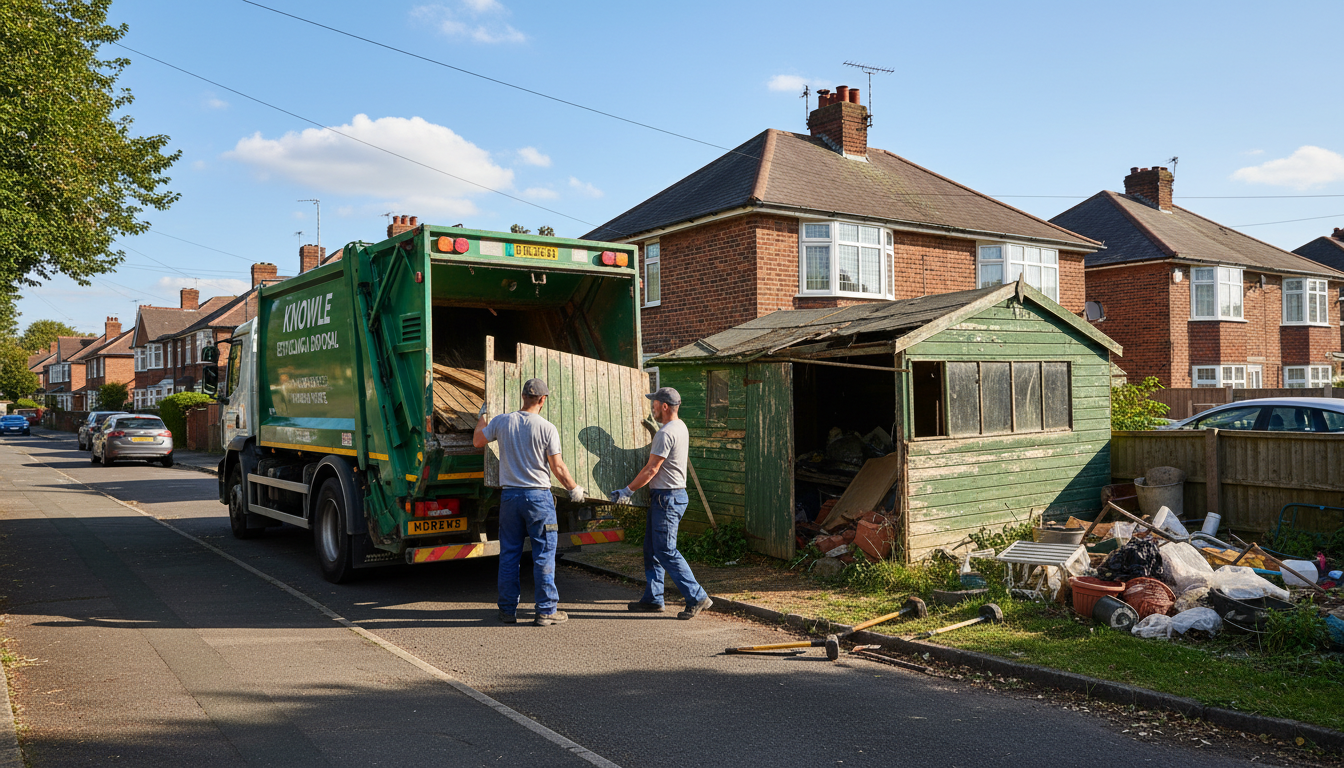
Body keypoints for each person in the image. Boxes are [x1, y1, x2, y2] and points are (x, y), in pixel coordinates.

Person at [474, 378, 585, 626]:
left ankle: (507, 611)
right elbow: (557, 466)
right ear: (542, 400)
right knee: (544, 554)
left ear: (523, 396)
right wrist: (574, 488)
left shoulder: (502, 422)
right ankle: (546, 611)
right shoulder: (547, 428)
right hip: (538, 498)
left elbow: (477, 441)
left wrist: (482, 416)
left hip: (510, 497)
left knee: (509, 554)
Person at [611, 387, 713, 620]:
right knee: (652, 549)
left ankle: (697, 596)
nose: (652, 407)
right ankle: (654, 598)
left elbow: (652, 468)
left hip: (667, 499)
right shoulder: (680, 426)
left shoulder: (665, 433)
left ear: (664, 406)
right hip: (668, 497)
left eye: (654, 404)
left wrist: (627, 490)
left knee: (666, 550)